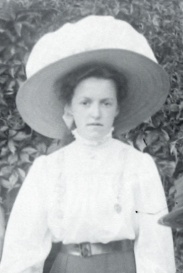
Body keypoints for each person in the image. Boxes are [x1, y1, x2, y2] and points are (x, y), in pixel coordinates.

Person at [0, 15, 176, 273]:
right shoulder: (49, 169)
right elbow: (24, 246)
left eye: (106, 103)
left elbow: (155, 247)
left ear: (117, 108)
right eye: (85, 102)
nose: (96, 113)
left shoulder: (139, 165)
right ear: (69, 108)